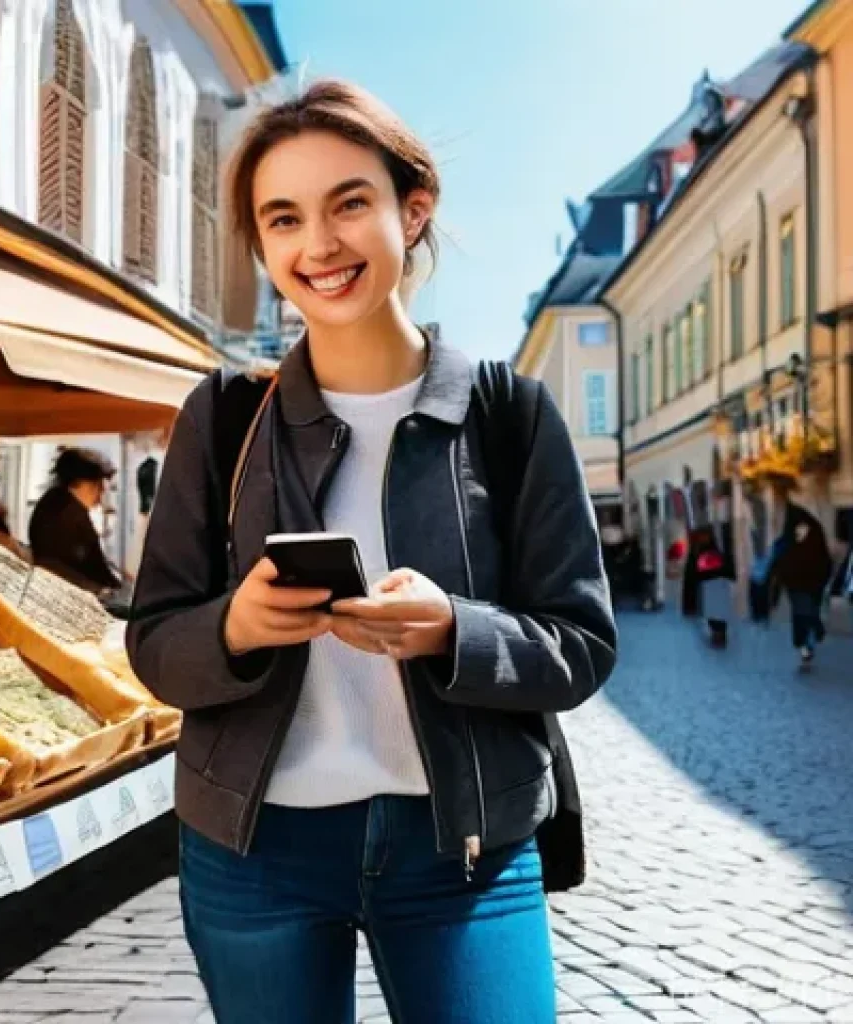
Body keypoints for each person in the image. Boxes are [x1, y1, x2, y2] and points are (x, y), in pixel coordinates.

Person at [127, 80, 617, 1024]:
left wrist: (454, 632)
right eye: (284, 218)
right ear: (263, 246)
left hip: (465, 847)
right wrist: (233, 625)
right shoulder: (226, 417)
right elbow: (154, 642)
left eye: (350, 202)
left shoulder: (508, 414)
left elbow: (582, 642)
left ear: (412, 208)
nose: (320, 245)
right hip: (253, 850)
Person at [28, 448, 121, 595]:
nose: (101, 491)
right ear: (82, 482)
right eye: (97, 484)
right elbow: (90, 564)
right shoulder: (65, 512)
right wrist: (110, 590)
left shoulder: (56, 502)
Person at [773, 497, 833, 666]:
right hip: (809, 579)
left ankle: (806, 643)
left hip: (800, 580)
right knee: (807, 610)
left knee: (803, 612)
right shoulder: (812, 530)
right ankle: (808, 641)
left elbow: (783, 557)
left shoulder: (794, 534)